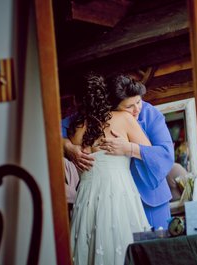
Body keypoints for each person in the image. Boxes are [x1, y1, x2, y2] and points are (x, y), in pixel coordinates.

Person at [62, 74, 175, 229]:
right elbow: (56, 130)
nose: (137, 109)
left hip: (151, 199)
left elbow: (165, 154)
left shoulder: (150, 113)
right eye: (129, 107)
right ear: (111, 107)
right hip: (112, 201)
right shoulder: (93, 117)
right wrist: (68, 147)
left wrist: (129, 148)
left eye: (139, 101)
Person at [68, 72, 151, 265]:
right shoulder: (124, 119)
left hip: (87, 198)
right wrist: (128, 147)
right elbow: (149, 152)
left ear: (77, 101)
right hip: (120, 193)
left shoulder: (75, 129)